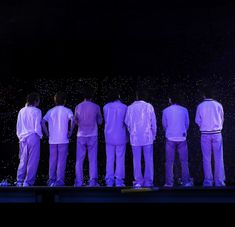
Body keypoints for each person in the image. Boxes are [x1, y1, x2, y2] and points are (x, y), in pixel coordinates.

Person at [125, 90, 157, 188]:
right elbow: (154, 123)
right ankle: (148, 181)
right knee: (148, 159)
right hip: (147, 137)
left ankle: (138, 181)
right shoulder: (149, 106)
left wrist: (131, 132)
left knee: (136, 160)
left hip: (135, 138)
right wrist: (154, 135)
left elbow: (127, 122)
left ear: (137, 96)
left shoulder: (130, 107)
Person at [42, 92, 74, 187]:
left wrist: (47, 133)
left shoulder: (50, 111)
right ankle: (59, 181)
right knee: (61, 161)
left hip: (52, 140)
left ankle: (51, 181)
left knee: (52, 161)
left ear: (55, 101)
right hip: (63, 139)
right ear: (64, 101)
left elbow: (42, 122)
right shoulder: (67, 110)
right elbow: (73, 119)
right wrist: (70, 132)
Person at [195, 87, 225, 187]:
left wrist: (204, 126)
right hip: (217, 134)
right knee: (218, 158)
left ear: (204, 95)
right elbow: (222, 118)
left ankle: (208, 181)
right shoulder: (218, 105)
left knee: (206, 158)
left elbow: (197, 121)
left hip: (205, 134)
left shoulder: (200, 106)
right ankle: (219, 181)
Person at [162, 93, 193, 188]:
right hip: (182, 138)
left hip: (170, 138)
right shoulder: (184, 110)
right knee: (184, 161)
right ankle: (186, 182)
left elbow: (164, 125)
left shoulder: (165, 110)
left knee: (169, 162)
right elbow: (187, 124)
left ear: (170, 99)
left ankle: (169, 183)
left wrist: (169, 132)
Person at [73, 88, 102, 187]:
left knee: (79, 160)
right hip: (93, 135)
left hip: (81, 135)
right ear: (92, 96)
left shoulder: (78, 106)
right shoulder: (96, 107)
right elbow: (100, 122)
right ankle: (92, 182)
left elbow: (75, 121)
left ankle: (79, 182)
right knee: (92, 159)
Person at [16, 92, 42, 187]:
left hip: (22, 137)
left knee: (23, 160)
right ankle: (28, 182)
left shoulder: (21, 111)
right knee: (33, 160)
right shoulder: (37, 111)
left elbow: (18, 126)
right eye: (38, 100)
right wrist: (40, 135)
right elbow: (37, 127)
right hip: (33, 136)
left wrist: (20, 136)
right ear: (35, 101)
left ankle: (19, 181)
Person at [103, 90, 128, 187]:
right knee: (120, 159)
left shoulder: (105, 107)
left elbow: (106, 120)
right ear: (119, 96)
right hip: (121, 135)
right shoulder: (125, 107)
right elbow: (125, 122)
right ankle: (119, 181)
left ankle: (109, 181)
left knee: (109, 159)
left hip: (109, 136)